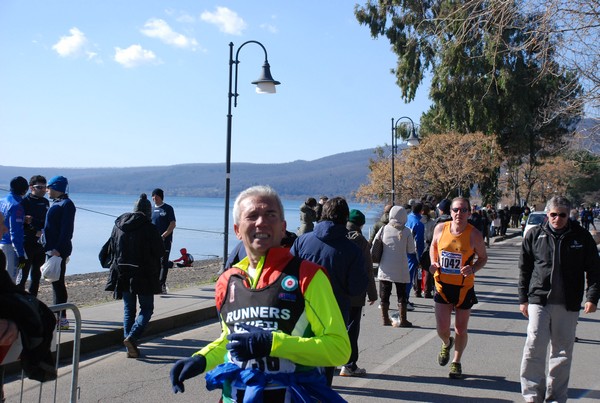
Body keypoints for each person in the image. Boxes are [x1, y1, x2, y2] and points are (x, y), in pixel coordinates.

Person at [169, 185, 350, 402]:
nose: (261, 222)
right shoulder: (227, 281)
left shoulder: (308, 275)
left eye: (270, 215)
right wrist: (201, 359)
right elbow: (230, 340)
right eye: (252, 216)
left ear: (283, 228)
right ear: (237, 230)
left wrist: (273, 343)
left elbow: (339, 349)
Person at [518, 196, 599, 403]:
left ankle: (555, 397)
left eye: (562, 215)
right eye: (553, 214)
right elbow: (524, 269)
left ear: (569, 215)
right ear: (547, 215)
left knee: (562, 353)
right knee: (534, 346)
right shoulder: (535, 235)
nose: (557, 219)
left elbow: (594, 269)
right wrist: (523, 299)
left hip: (568, 303)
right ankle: (532, 396)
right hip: (539, 300)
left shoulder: (581, 237)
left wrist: (592, 297)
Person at [290, 196, 367, 385]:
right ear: (345, 218)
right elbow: (356, 287)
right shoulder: (352, 250)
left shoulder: (302, 242)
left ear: (322, 214)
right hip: (334, 315)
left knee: (297, 367)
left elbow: (287, 276)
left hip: (300, 314)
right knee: (324, 374)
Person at [428, 197, 488, 379]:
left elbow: (483, 258)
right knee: (442, 327)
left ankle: (456, 361)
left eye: (463, 210)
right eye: (455, 210)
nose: (458, 214)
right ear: (450, 211)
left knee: (461, 328)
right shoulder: (441, 228)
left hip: (463, 288)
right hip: (442, 285)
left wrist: (473, 268)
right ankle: (447, 343)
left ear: (469, 213)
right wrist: (433, 262)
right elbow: (433, 246)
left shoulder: (474, 234)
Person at [102, 194, 164, 358]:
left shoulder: (118, 225)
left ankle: (128, 342)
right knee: (147, 309)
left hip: (122, 272)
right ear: (148, 211)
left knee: (129, 309)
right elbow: (158, 251)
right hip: (144, 274)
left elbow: (112, 248)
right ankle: (132, 337)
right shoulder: (149, 228)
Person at [342, 209, 377, 377]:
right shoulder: (361, 241)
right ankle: (349, 364)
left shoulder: (336, 236)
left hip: (334, 290)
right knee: (352, 328)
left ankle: (330, 360)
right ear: (361, 225)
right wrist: (372, 293)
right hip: (355, 292)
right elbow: (368, 269)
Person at [374, 205, 418, 327]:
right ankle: (403, 320)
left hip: (385, 266)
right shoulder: (407, 231)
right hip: (401, 267)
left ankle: (385, 319)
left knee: (384, 294)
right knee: (402, 294)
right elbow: (411, 250)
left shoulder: (383, 229)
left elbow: (374, 244)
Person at [43, 175, 76, 330]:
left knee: (58, 283)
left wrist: (59, 249)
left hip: (57, 250)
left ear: (56, 187)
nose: (47, 190)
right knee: (55, 282)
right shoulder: (57, 203)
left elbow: (67, 230)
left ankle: (61, 318)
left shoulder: (67, 204)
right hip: (50, 248)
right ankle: (58, 316)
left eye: (48, 187)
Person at [18, 175, 49, 295]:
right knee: (22, 274)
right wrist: (32, 227)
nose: (43, 190)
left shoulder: (45, 202)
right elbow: (21, 223)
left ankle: (33, 300)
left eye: (45, 187)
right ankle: (19, 301)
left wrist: (35, 223)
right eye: (39, 187)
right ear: (31, 187)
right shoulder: (24, 202)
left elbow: (46, 222)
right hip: (26, 244)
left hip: (40, 244)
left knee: (36, 275)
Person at [0, 176, 29, 284]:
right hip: (10, 246)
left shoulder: (1, 201)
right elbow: (15, 232)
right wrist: (20, 254)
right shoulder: (16, 205)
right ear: (24, 190)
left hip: (1, 243)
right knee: (10, 281)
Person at [151, 188, 176, 294]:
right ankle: (154, 284)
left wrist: (164, 235)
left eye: (156, 196)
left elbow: (172, 224)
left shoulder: (168, 208)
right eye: (153, 196)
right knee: (154, 262)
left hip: (165, 240)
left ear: (160, 197)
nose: (154, 198)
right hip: (153, 241)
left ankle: (161, 285)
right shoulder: (151, 209)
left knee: (163, 262)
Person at [405, 202, 424, 304]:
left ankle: (402, 298)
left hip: (401, 250)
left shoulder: (406, 219)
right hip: (412, 252)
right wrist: (420, 257)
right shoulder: (418, 224)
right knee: (409, 276)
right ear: (421, 211)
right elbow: (419, 242)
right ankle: (405, 299)